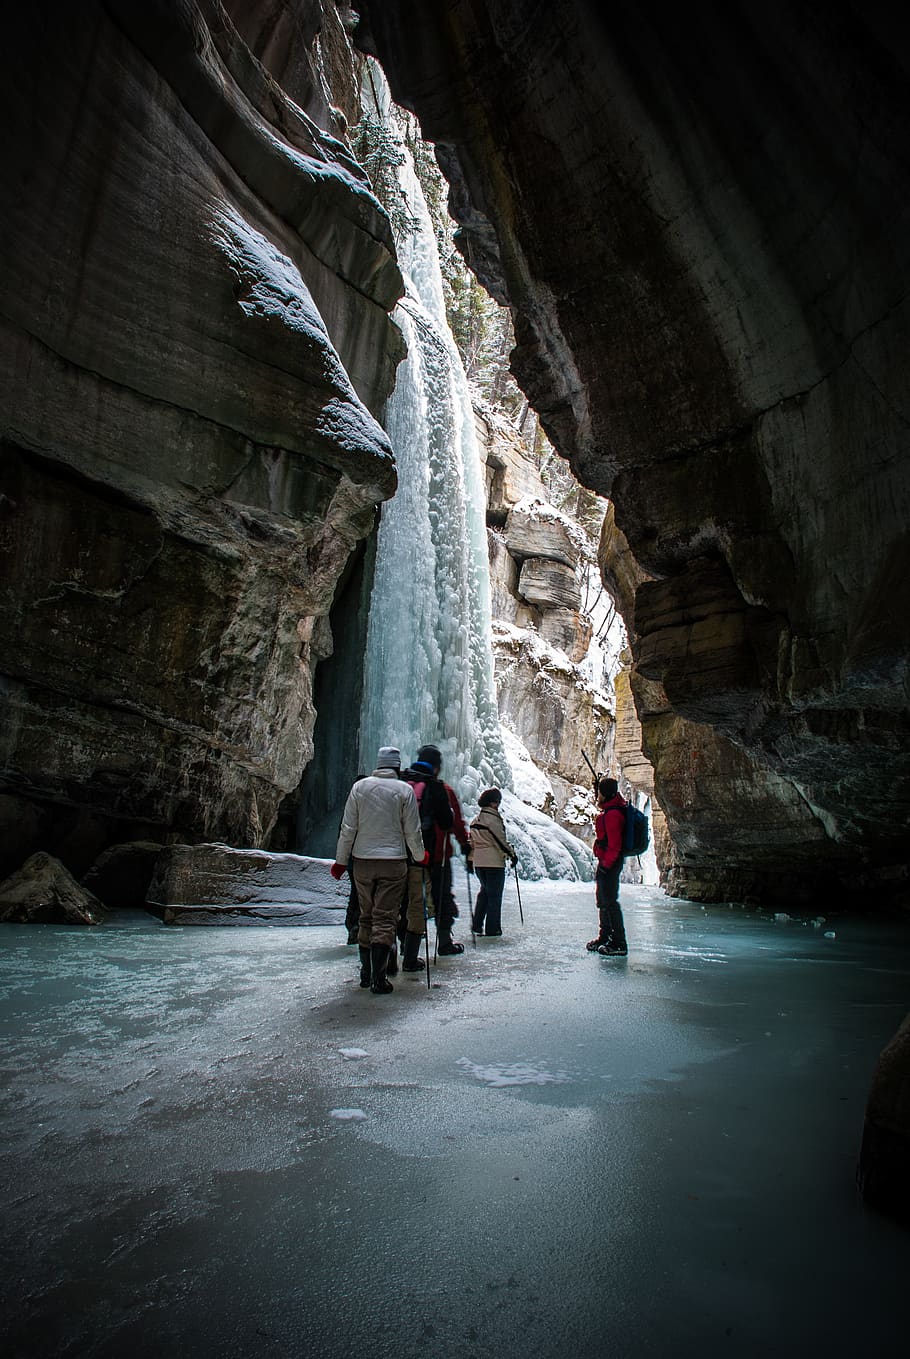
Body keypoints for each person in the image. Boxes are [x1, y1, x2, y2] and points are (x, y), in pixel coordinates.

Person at [331, 746, 427, 994]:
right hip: (393, 862)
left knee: (366, 916)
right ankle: (378, 977)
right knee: (385, 918)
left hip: (362, 861)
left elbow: (348, 828)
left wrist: (341, 861)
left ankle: (365, 972)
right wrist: (419, 856)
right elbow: (412, 831)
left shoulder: (359, 788)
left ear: (378, 764)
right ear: (396, 766)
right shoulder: (404, 790)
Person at [401, 743, 470, 958]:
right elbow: (455, 822)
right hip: (438, 854)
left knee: (408, 899)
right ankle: (444, 940)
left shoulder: (403, 785)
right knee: (442, 897)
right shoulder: (442, 789)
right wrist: (465, 845)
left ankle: (405, 943)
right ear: (437, 767)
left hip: (408, 854)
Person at [587, 775, 628, 956]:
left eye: (599, 792)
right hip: (607, 862)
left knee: (609, 902)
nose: (598, 796)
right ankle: (605, 937)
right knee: (603, 901)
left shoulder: (613, 815)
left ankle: (618, 942)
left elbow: (614, 845)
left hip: (609, 863)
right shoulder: (613, 808)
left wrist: (606, 865)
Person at [468, 788, 516, 936]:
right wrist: (512, 855)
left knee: (484, 893)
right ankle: (492, 928)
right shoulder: (494, 820)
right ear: (493, 803)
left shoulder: (476, 820)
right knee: (495, 896)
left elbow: (472, 843)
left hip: (479, 863)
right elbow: (500, 841)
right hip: (493, 863)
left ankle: (477, 924)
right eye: (498, 801)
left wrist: (470, 860)